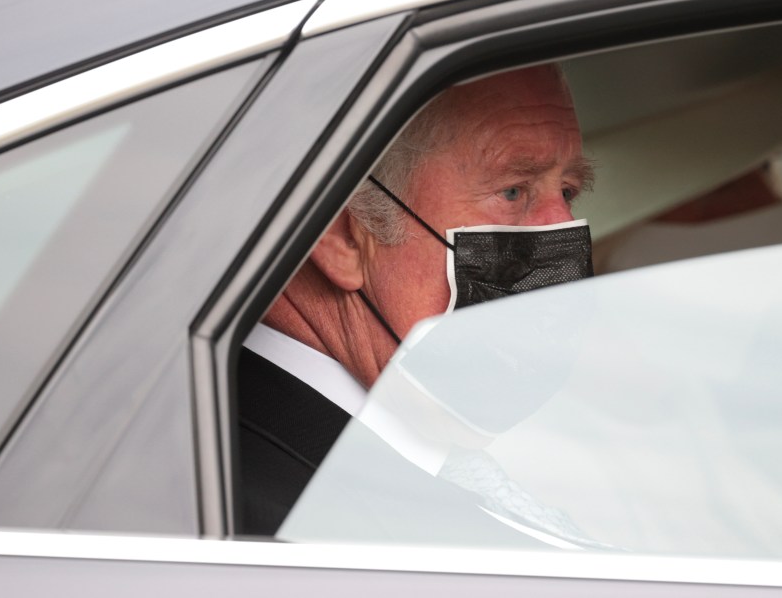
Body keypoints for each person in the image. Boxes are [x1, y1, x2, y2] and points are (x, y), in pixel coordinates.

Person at [237, 64, 595, 534]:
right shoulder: (274, 523)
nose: (563, 237)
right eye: (512, 191)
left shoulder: (429, 453)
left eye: (568, 192)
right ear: (341, 233)